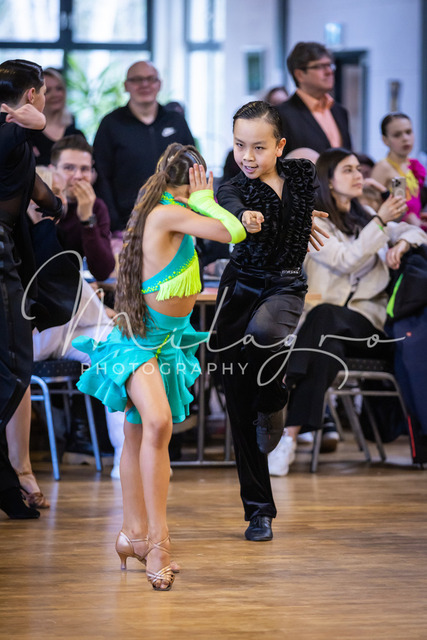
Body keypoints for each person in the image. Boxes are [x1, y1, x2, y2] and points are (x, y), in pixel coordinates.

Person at [72, 143, 246, 591]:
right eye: (204, 182)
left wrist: (205, 203)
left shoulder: (171, 211)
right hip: (137, 346)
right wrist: (207, 202)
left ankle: (132, 534)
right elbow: (233, 232)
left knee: (138, 432)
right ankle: (158, 544)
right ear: (195, 181)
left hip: (164, 345)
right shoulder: (168, 213)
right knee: (157, 423)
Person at [269, 148, 427, 476]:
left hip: (369, 330)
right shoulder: (314, 222)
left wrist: (401, 242)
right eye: (348, 170)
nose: (359, 175)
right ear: (328, 180)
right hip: (324, 335)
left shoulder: (367, 215)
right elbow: (344, 259)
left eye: (358, 169)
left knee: (325, 315)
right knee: (325, 346)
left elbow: (416, 232)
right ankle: (289, 437)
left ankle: (286, 380)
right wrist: (381, 223)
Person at [213, 101, 327, 542]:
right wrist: (245, 217)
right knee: (238, 400)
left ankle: (276, 395)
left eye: (258, 147)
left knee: (264, 334)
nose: (247, 156)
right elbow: (230, 204)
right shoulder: (232, 189)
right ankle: (259, 511)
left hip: (284, 287)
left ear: (279, 146)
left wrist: (300, 218)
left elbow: (301, 203)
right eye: (239, 145)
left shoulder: (300, 174)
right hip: (239, 289)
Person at [0, 59, 78, 519]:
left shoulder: (16, 142)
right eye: (43, 92)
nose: (46, 100)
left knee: (10, 366)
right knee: (15, 366)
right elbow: (21, 134)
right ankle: (15, 476)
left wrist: (58, 205)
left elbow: (35, 189)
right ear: (32, 94)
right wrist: (35, 122)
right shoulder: (11, 132)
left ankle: (12, 483)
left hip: (9, 257)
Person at [93, 61, 195, 232]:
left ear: (159, 84)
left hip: (175, 218)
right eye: (137, 80)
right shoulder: (111, 124)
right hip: (128, 223)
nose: (145, 84)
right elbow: (102, 176)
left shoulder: (176, 121)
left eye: (150, 79)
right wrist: (114, 223)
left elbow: (193, 167)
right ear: (126, 86)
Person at [50, 135, 116, 282]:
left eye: (85, 169)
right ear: (52, 170)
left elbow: (102, 272)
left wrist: (87, 220)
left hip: (71, 285)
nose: (78, 176)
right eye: (69, 168)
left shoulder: (96, 207)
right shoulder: (38, 202)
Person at [276, 41, 352, 155]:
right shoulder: (280, 116)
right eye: (320, 66)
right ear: (299, 75)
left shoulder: (340, 111)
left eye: (330, 65)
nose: (329, 71)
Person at [371, 113, 427, 230]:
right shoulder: (383, 167)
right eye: (397, 135)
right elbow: (371, 209)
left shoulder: (414, 165)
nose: (405, 138)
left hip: (415, 230)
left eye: (408, 132)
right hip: (392, 232)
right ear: (385, 140)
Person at [30, 67, 84, 166]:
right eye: (47, 91)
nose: (55, 94)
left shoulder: (76, 134)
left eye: (59, 89)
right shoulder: (27, 134)